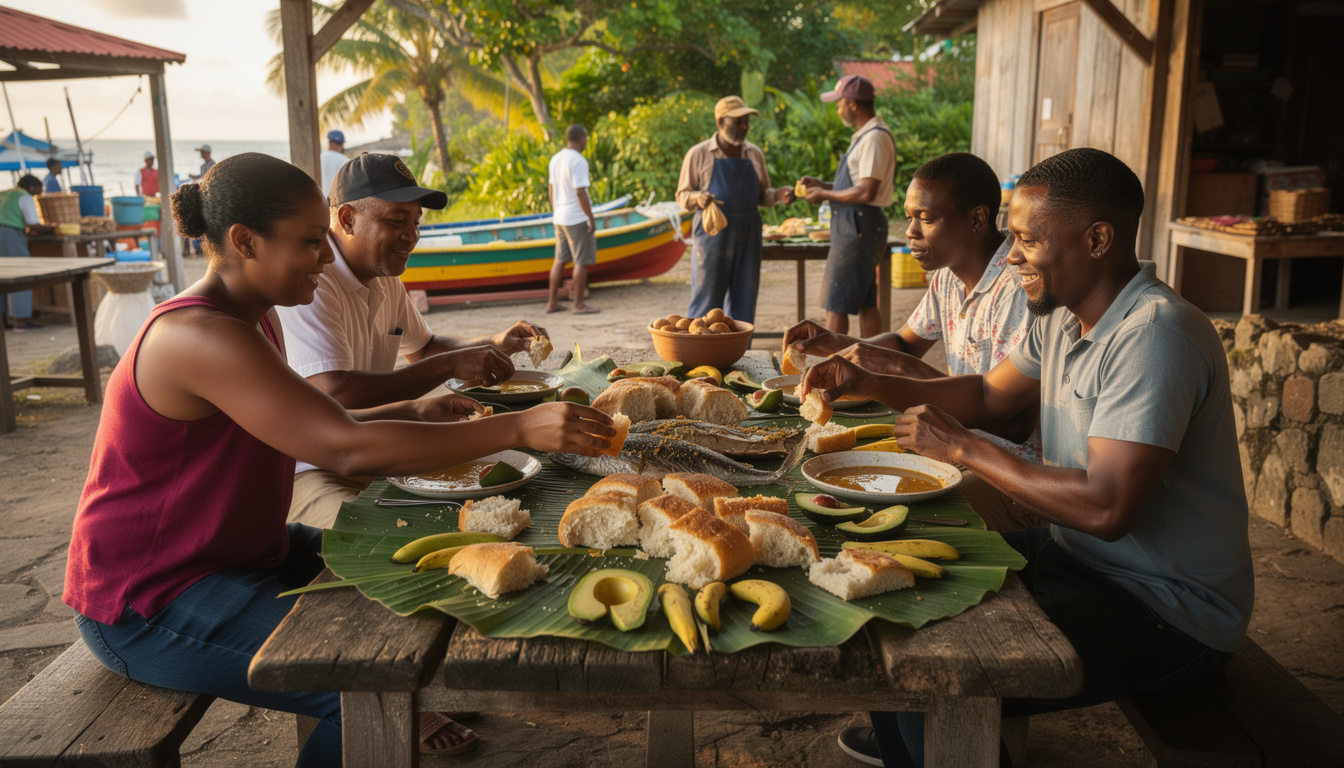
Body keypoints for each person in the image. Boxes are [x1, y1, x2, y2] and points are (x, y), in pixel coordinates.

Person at [63, 152, 614, 767]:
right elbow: (341, 446)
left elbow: (320, 427)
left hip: (243, 554)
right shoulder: (198, 336)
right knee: (363, 682)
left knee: (421, 561)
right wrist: (520, 427)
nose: (327, 258)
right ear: (245, 242)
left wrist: (416, 413)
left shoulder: (250, 320)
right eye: (310, 243)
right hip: (152, 597)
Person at [804, 148, 1254, 767]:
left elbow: (1107, 507)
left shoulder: (1155, 335)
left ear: (1098, 239)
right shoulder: (1062, 318)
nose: (1009, 255)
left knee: (927, 685)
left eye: (1026, 239)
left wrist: (963, 447)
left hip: (1168, 606)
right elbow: (987, 393)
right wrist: (871, 382)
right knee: (887, 624)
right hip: (1079, 559)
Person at [276, 153, 549, 528]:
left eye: (416, 222)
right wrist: (449, 366)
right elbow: (334, 393)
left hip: (374, 447)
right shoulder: (315, 282)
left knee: (493, 492)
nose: (412, 234)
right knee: (368, 535)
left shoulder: (385, 278)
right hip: (310, 467)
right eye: (396, 220)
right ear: (347, 219)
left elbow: (423, 347)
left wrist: (496, 342)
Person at [785, 152, 1039, 469]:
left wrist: (893, 367)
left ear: (976, 219)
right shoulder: (948, 276)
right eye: (909, 218)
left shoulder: (1018, 290)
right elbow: (905, 343)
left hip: (1006, 466)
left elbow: (1011, 424)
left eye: (927, 219)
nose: (910, 231)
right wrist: (838, 344)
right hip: (953, 440)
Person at [675, 95, 795, 324]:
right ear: (720, 123)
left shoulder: (754, 153)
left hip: (748, 233)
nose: (744, 127)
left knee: (745, 299)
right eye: (737, 122)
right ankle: (700, 353)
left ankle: (741, 354)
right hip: (713, 234)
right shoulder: (699, 154)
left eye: (746, 122)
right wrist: (698, 198)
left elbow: (763, 194)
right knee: (707, 300)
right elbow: (682, 195)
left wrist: (778, 195)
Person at [798, 74, 897, 338]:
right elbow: (856, 184)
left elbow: (866, 190)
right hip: (857, 224)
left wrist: (824, 195)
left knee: (836, 301)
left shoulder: (874, 138)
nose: (837, 108)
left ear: (853, 104)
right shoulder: (864, 136)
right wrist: (824, 185)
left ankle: (833, 369)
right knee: (866, 301)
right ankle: (873, 359)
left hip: (859, 225)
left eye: (839, 103)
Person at [546, 125, 599, 314]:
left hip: (559, 216)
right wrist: (590, 218)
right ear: (581, 138)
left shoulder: (556, 158)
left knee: (559, 260)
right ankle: (578, 305)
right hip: (576, 217)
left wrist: (556, 210)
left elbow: (551, 188)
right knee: (580, 261)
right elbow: (580, 192)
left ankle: (552, 303)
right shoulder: (578, 160)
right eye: (586, 137)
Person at [0, 174, 54, 331]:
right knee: (21, 274)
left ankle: (3, 322)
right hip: (10, 235)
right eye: (38, 190)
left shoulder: (4, 193)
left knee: (2, 276)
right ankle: (20, 321)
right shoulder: (25, 197)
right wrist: (52, 227)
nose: (39, 193)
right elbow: (33, 225)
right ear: (31, 187)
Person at [320, 129, 349, 198]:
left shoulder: (319, 158)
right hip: (337, 202)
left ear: (329, 142)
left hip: (320, 202)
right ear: (341, 145)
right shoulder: (346, 161)